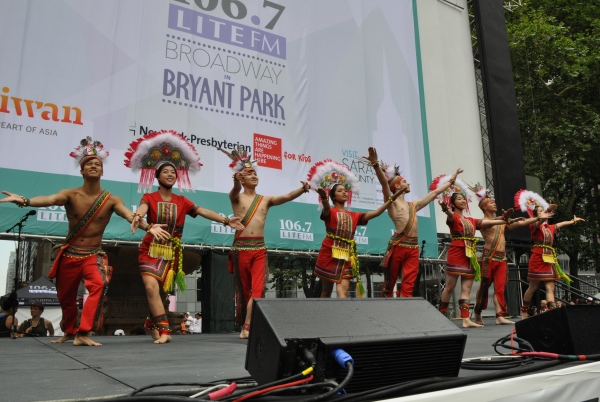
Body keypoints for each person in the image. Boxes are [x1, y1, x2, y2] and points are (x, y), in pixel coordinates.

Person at [1, 137, 169, 346]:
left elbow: (129, 215)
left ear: (102, 171)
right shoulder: (70, 194)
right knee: (66, 297)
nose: (93, 166)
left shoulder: (111, 199)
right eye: (89, 163)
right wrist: (25, 201)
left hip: (92, 254)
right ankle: (70, 332)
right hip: (70, 253)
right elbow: (50, 200)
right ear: (81, 170)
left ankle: (83, 332)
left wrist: (148, 226)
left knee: (98, 284)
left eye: (97, 164)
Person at [126, 130, 244, 344]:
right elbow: (141, 211)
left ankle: (149, 323)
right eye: (166, 171)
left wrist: (226, 221)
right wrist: (143, 222)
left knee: (161, 294)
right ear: (158, 176)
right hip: (150, 249)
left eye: (173, 171)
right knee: (151, 287)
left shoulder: (182, 201)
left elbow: (203, 211)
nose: (171, 174)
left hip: (171, 251)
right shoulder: (149, 197)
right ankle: (164, 331)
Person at [221, 146, 311, 339]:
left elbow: (286, 197)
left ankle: (247, 326)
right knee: (244, 291)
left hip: (259, 249)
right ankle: (247, 322)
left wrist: (302, 190)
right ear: (241, 178)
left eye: (255, 173)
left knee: (258, 289)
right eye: (249, 174)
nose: (254, 176)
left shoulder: (265, 200)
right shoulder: (236, 196)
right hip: (240, 249)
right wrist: (236, 183)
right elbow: (235, 189)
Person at [364, 147, 464, 298]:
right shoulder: (392, 203)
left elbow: (434, 193)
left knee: (409, 283)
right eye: (405, 181)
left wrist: (451, 181)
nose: (408, 183)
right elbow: (385, 185)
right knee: (390, 283)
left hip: (413, 247)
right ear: (397, 186)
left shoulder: (413, 205)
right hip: (398, 245)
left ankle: (406, 310)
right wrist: (376, 164)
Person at [307, 159, 403, 299]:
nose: (345, 192)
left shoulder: (354, 215)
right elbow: (326, 209)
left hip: (347, 254)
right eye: (340, 191)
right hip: (329, 252)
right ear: (333, 196)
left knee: (343, 292)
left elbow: (376, 213)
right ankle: (325, 319)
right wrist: (324, 198)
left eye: (345, 190)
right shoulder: (331, 212)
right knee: (326, 292)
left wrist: (392, 198)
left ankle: (343, 319)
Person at [432, 176, 510, 328]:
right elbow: (448, 215)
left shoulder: (472, 220)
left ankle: (466, 319)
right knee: (449, 287)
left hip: (470, 255)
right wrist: (445, 209)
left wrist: (504, 219)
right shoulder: (453, 217)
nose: (462, 201)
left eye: (463, 199)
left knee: (466, 289)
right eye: (459, 199)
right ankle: (441, 315)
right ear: (453, 203)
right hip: (456, 252)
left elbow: (491, 222)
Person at [471, 185, 554, 325]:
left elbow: (522, 223)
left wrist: (537, 218)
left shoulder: (502, 222)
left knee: (501, 288)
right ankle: (478, 312)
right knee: (484, 288)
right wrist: (505, 219)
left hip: (502, 258)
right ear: (484, 207)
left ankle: (500, 316)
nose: (495, 203)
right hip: (488, 258)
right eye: (491, 203)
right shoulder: (483, 222)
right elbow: (494, 222)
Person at [515, 190, 585, 318]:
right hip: (537, 256)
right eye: (540, 211)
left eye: (543, 211)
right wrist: (546, 212)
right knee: (533, 287)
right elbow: (539, 221)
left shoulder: (550, 228)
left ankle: (552, 312)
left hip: (549, 258)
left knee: (551, 286)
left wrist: (573, 221)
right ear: (536, 214)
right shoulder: (534, 225)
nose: (543, 213)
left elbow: (561, 224)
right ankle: (524, 310)